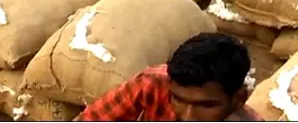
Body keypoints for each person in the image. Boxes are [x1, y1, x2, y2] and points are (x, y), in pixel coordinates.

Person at [79, 32, 263, 122]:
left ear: (238, 99)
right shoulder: (152, 84)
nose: (188, 116)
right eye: (178, 99)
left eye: (206, 105)